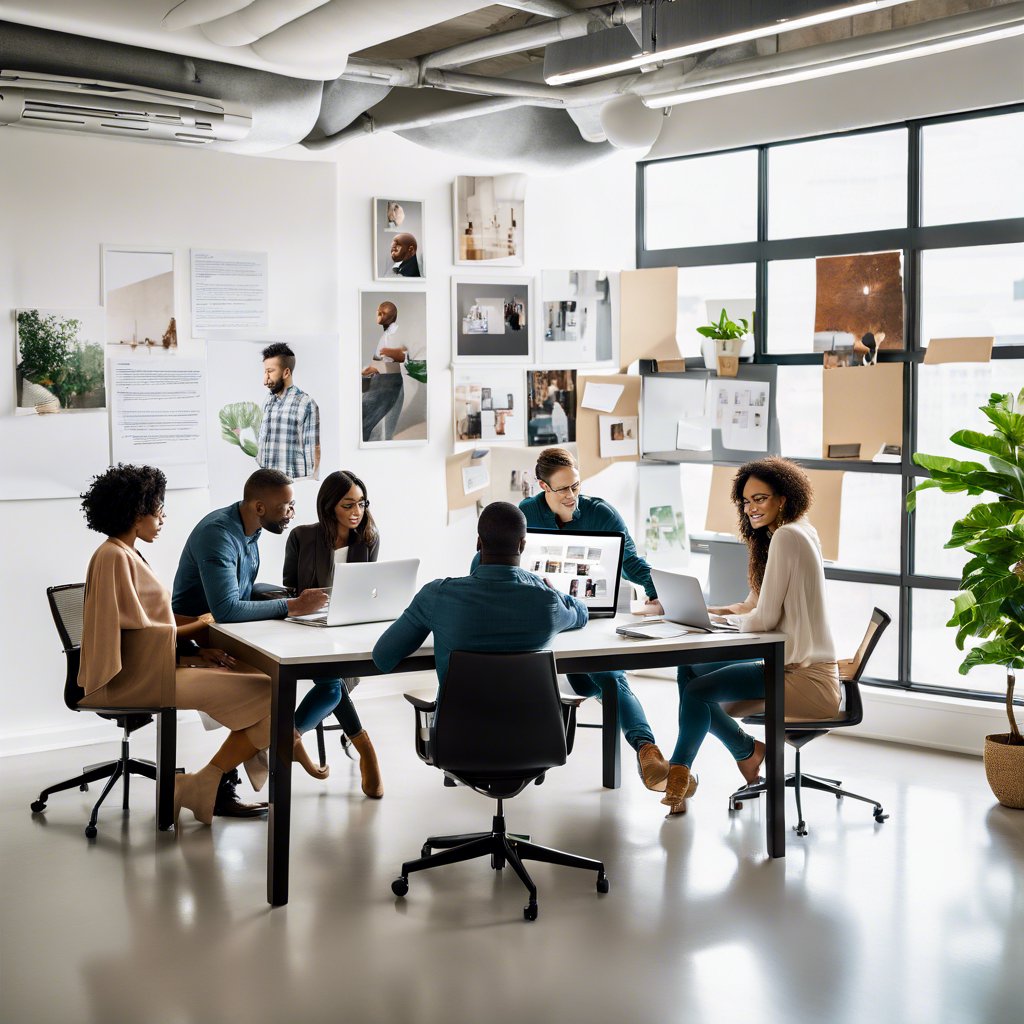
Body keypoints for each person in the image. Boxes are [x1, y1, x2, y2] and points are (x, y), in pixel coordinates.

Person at [79, 464, 329, 828]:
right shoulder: (114, 556)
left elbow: (150, 625)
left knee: (265, 687)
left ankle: (206, 782)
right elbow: (137, 635)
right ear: (136, 513)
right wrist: (203, 625)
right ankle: (216, 777)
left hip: (152, 667)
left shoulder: (125, 552)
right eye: (157, 508)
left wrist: (197, 648)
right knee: (267, 692)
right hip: (136, 679)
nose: (163, 516)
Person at [660, 456, 841, 817]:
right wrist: (707, 612)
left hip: (806, 680)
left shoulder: (788, 536)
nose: (751, 508)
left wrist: (729, 625)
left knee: (697, 691)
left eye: (760, 499)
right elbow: (754, 606)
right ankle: (746, 752)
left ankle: (679, 774)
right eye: (745, 500)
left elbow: (766, 618)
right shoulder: (796, 531)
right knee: (690, 668)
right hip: (787, 667)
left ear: (783, 498)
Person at [511, 447, 669, 791]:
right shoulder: (523, 514)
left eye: (576, 486)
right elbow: (494, 561)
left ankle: (647, 751)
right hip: (541, 623)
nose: (572, 497)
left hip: (590, 619)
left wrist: (665, 591)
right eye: (563, 489)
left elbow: (632, 563)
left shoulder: (600, 514)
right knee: (601, 680)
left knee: (611, 678)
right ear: (542, 486)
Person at [172, 468, 330, 811]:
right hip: (197, 640)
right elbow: (226, 609)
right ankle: (226, 778)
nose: (291, 513)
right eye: (285, 506)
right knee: (268, 694)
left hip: (228, 634)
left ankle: (215, 781)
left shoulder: (251, 529)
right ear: (259, 507)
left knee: (318, 684)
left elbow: (241, 592)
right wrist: (290, 606)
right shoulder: (219, 535)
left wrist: (290, 598)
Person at [373, 502, 587, 691]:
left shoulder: (436, 596)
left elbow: (383, 657)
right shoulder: (547, 602)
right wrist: (550, 589)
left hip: (458, 732)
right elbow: (581, 613)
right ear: (522, 545)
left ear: (478, 543)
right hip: (532, 733)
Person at [283, 470, 383, 798]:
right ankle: (364, 746)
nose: (357, 512)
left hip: (349, 629)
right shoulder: (301, 536)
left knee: (331, 681)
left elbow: (369, 590)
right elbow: (290, 590)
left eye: (362, 503)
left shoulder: (368, 538)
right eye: (348, 504)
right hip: (307, 628)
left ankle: (287, 736)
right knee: (332, 681)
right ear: (329, 507)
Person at [257, 342, 320, 480]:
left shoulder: (306, 403)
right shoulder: (268, 401)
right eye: (265, 372)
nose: (265, 380)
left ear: (286, 372)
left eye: (270, 371)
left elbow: (314, 449)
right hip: (268, 484)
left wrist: (310, 484)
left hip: (292, 486)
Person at [361, 301, 407, 442]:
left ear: (392, 316)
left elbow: (403, 357)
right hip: (378, 381)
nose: (379, 316)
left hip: (388, 383)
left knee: (371, 425)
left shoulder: (398, 334)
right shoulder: (386, 334)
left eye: (383, 313)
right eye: (378, 312)